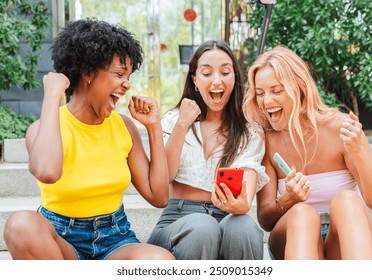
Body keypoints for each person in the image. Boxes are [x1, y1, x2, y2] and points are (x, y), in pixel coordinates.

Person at [3, 19, 174, 260]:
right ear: (88, 72)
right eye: (119, 74)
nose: (127, 84)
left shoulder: (123, 126)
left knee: (159, 261)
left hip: (115, 239)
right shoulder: (44, 129)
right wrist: (53, 94)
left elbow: (159, 196)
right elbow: (47, 172)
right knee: (20, 225)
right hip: (62, 241)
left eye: (129, 76)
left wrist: (154, 126)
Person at [244, 46, 372, 260]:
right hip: (294, 238)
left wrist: (360, 153)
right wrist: (289, 199)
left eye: (276, 91)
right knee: (302, 214)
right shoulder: (266, 140)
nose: (266, 101)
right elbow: (265, 221)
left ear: (300, 87)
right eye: (260, 94)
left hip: (347, 239)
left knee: (347, 201)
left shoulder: (341, 127)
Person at [147, 40, 269, 260]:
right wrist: (182, 125)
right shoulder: (174, 120)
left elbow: (248, 181)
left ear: (234, 78)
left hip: (227, 216)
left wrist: (242, 203)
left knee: (244, 228)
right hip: (177, 220)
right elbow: (164, 177)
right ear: (194, 79)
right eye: (206, 73)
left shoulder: (249, 130)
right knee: (202, 226)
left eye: (225, 72)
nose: (216, 80)